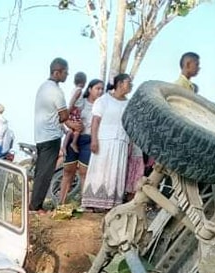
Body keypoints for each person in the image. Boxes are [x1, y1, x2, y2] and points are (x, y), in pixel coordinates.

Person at [30, 57, 81, 213]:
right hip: (51, 136)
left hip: (41, 135)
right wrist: (72, 124)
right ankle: (35, 206)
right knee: (45, 173)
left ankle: (34, 204)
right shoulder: (56, 91)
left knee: (41, 171)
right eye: (65, 72)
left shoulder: (43, 87)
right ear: (57, 72)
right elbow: (64, 115)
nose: (67, 75)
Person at [82, 74, 136, 212]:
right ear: (119, 84)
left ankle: (110, 205)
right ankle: (92, 203)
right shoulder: (103, 100)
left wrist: (129, 143)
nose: (130, 85)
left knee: (116, 172)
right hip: (104, 141)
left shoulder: (129, 104)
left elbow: (130, 125)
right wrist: (94, 139)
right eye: (128, 82)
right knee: (99, 170)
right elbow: (95, 121)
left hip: (121, 143)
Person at [59, 79, 102, 207]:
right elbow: (66, 116)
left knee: (84, 172)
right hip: (74, 138)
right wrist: (71, 124)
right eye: (97, 88)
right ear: (89, 89)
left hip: (89, 140)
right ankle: (61, 203)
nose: (100, 91)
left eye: (101, 89)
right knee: (68, 171)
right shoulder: (81, 102)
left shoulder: (102, 106)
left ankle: (85, 204)